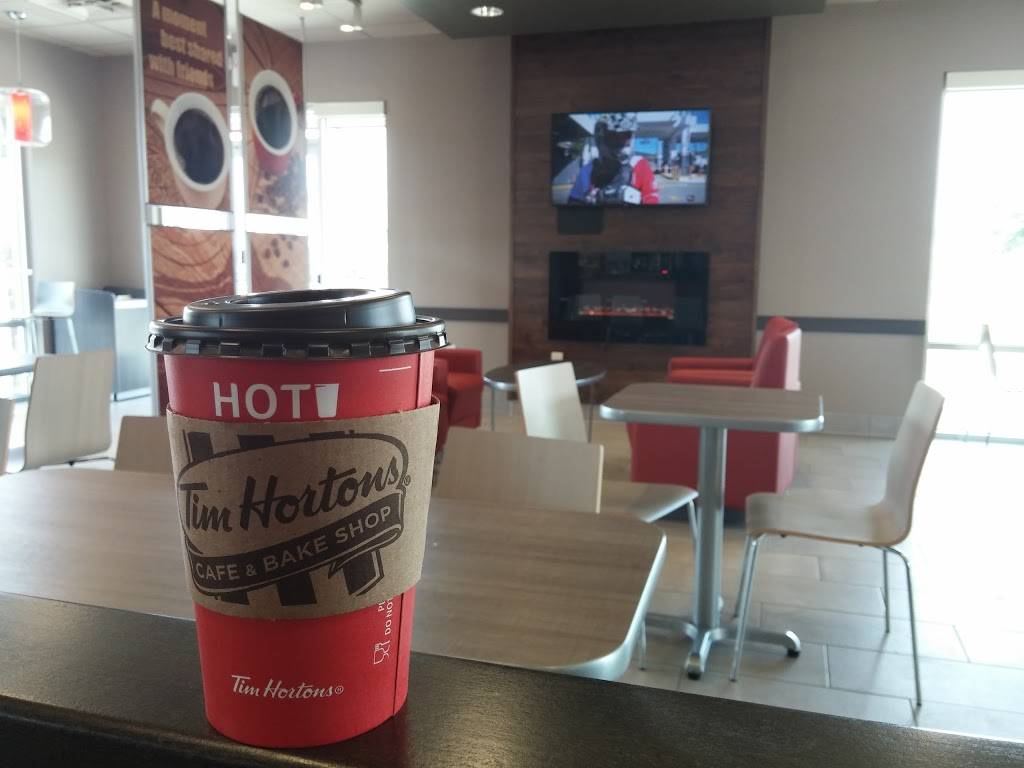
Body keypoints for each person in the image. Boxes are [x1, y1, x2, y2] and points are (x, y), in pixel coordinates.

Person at [568, 113, 659, 205]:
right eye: (613, 137)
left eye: (627, 136)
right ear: (600, 140)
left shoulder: (639, 165)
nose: (621, 144)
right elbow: (572, 204)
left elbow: (652, 200)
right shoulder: (586, 172)